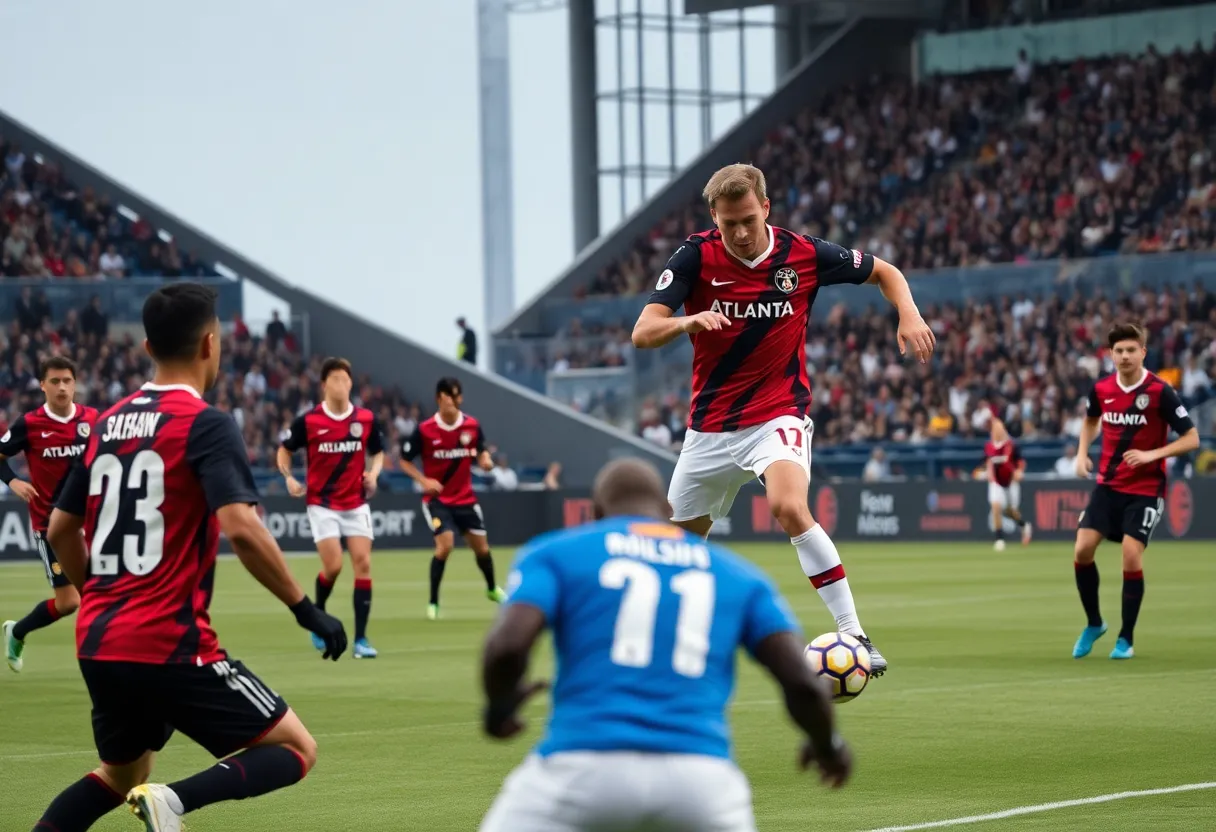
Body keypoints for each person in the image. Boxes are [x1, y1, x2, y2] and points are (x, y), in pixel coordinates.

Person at [32, 282, 346, 832]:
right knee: (297, 748)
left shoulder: (104, 424)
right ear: (209, 344)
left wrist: (99, 595)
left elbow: (60, 527)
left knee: (119, 775)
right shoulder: (208, 423)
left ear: (148, 346)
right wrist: (306, 609)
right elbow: (242, 529)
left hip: (100, 641)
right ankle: (174, 802)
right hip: (169, 644)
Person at [631, 163, 937, 675]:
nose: (742, 233)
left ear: (766, 208)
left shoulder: (803, 253)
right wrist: (688, 318)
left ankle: (853, 633)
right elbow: (643, 331)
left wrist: (908, 311)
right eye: (730, 224)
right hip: (708, 427)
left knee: (789, 506)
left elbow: (886, 271)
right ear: (714, 217)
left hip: (777, 414)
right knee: (675, 548)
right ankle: (665, 650)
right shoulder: (694, 255)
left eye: (749, 219)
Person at [479, 458, 851, 832]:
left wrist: (499, 708)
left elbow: (508, 647)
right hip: (701, 782)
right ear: (668, 510)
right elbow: (802, 683)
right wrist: (827, 745)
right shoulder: (740, 575)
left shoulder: (553, 553)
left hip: (581, 768)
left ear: (595, 513)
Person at [1072, 322, 1199, 660]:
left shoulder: (1160, 391)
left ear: (1143, 352)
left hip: (1146, 488)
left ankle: (1125, 638)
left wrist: (1152, 455)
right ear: (1111, 355)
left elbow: (1192, 438)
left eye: (1131, 350)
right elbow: (1090, 421)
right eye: (1119, 351)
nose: (1125, 356)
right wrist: (1082, 453)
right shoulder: (1100, 389)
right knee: (1082, 549)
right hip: (1108, 485)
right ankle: (1094, 623)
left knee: (1131, 553)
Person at [277, 357, 385, 659]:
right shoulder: (309, 421)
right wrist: (288, 477)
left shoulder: (365, 419)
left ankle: (361, 640)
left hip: (355, 502)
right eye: (335, 379)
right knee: (334, 565)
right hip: (322, 504)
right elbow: (284, 451)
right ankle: (318, 615)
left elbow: (378, 454)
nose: (342, 384)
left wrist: (373, 476)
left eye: (346, 379)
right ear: (324, 385)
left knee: (363, 563)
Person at [1, 357, 99, 672]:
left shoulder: (93, 420)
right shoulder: (29, 424)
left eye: (67, 381)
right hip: (50, 527)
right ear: (43, 385)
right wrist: (13, 480)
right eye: (54, 381)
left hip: (93, 523)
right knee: (72, 601)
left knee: (96, 596)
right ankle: (17, 631)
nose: (61, 387)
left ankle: (109, 661)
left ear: (75, 383)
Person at [400, 377, 505, 619]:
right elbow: (405, 460)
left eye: (456, 396)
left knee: (482, 549)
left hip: (466, 499)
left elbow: (481, 448)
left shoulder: (471, 425)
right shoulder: (425, 430)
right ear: (439, 399)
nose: (453, 401)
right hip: (437, 501)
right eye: (448, 396)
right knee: (445, 545)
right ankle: (433, 603)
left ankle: (491, 589)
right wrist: (423, 481)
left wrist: (485, 460)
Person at [983, 418, 1033, 551]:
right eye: (994, 429)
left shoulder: (1012, 445)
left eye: (999, 428)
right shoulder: (989, 446)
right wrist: (987, 472)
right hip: (995, 482)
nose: (996, 431)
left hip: (1010, 481)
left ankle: (1023, 525)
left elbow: (1021, 461)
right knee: (995, 507)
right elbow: (987, 461)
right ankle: (999, 538)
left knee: (1010, 511)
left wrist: (1019, 471)